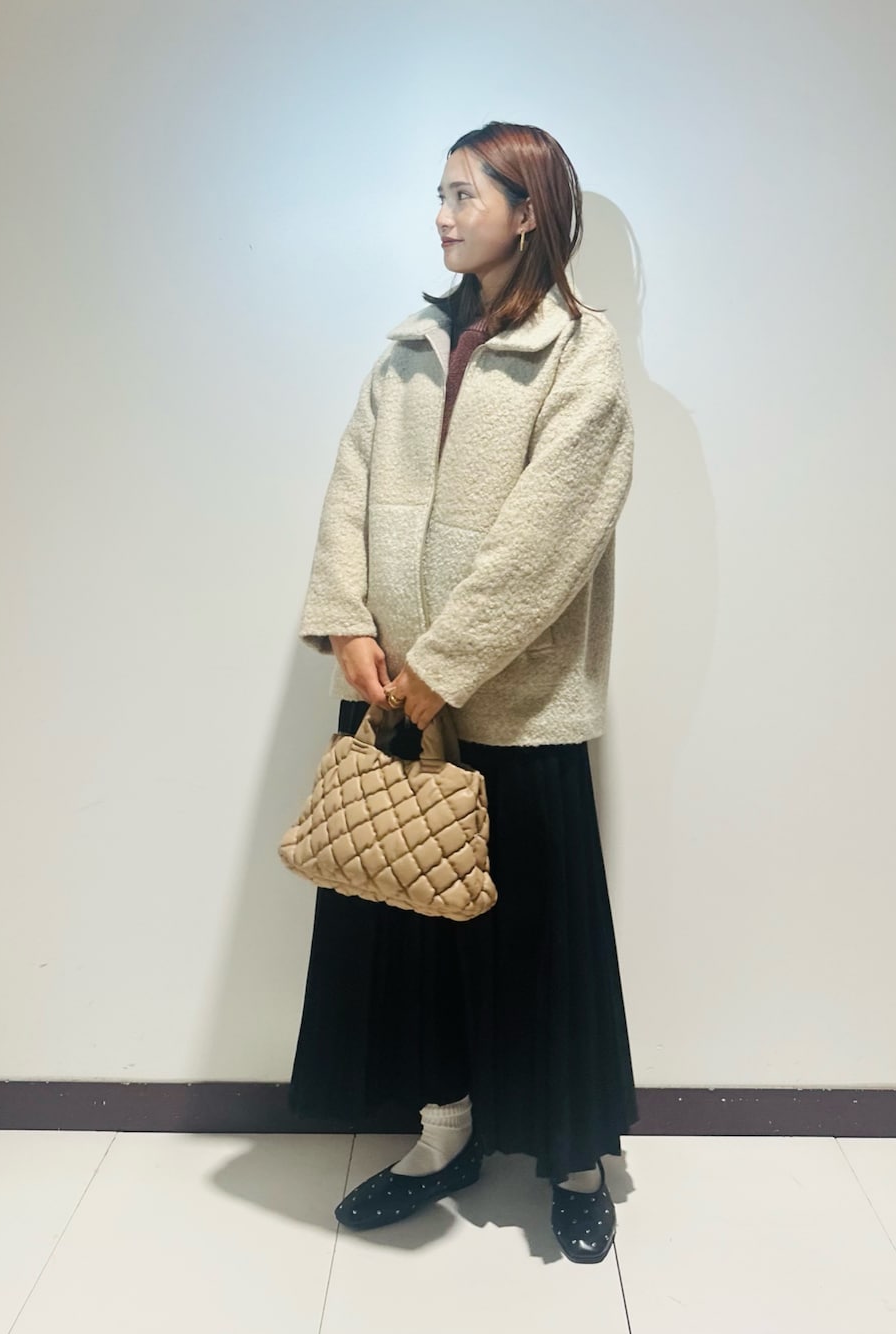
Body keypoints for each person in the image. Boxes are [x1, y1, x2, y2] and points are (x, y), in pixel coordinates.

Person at [287, 120, 639, 1264]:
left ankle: (574, 1160)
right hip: (392, 694)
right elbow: (348, 486)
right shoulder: (407, 349)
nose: (440, 215)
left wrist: (441, 671)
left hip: (516, 705)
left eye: (463, 195)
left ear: (527, 210)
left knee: (538, 938)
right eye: (436, 194)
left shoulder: (581, 354)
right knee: (409, 931)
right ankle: (442, 1133)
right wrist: (347, 621)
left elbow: (549, 539)